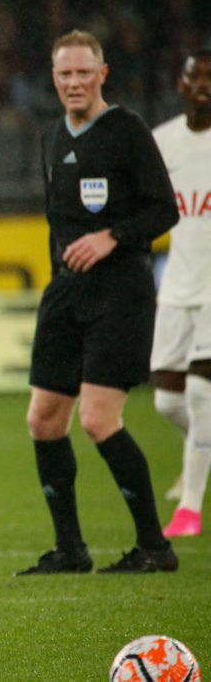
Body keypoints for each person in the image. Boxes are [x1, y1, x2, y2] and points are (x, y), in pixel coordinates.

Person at [16, 30, 180, 576]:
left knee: (96, 418)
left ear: (102, 74)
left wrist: (112, 236)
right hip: (66, 291)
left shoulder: (128, 132)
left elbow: (164, 211)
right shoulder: (49, 137)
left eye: (84, 72)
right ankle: (70, 550)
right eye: (65, 74)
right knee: (42, 419)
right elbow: (56, 221)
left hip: (121, 292)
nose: (74, 83)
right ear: (54, 77)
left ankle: (154, 547)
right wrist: (58, 276)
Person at [150, 49, 211, 538]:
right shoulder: (163, 142)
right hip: (176, 285)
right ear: (181, 84)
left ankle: (189, 509)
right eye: (196, 76)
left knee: (199, 393)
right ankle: (203, 450)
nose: (204, 85)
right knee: (167, 404)